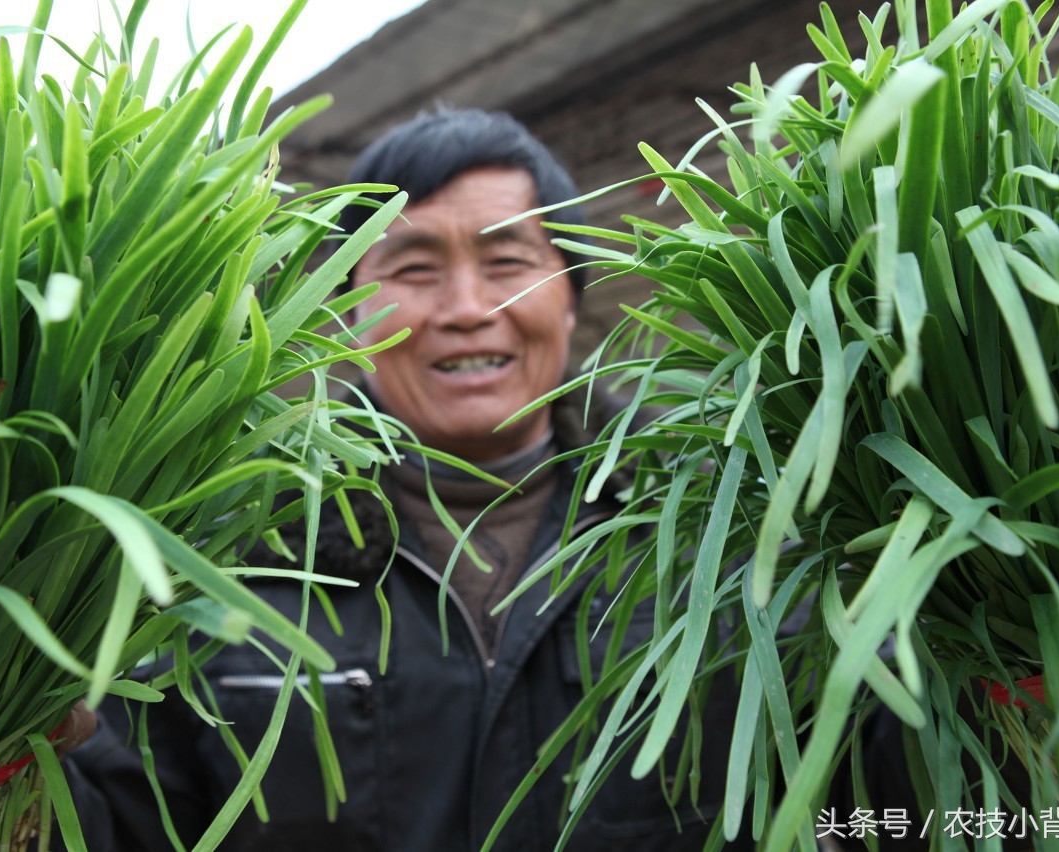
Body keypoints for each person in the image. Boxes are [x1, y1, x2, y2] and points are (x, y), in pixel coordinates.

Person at [60, 107, 752, 851]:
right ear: (348, 306)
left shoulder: (720, 519)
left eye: (508, 264)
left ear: (571, 291)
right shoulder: (230, 541)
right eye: (415, 268)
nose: (465, 309)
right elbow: (113, 822)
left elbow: (869, 785)